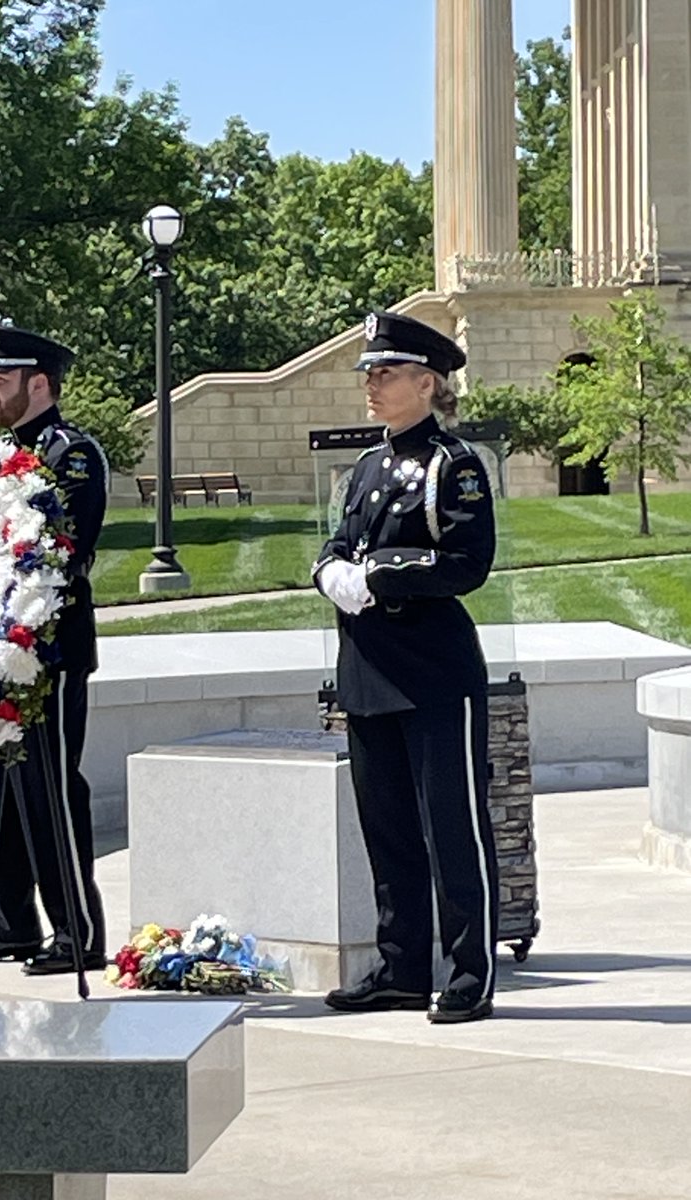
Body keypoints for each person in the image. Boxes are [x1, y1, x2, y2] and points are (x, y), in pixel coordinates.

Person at [313, 311, 498, 1024]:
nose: (372, 382)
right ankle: (400, 967)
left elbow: (464, 562)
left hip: (433, 672)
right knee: (386, 829)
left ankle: (469, 972)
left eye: (386, 372)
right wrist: (330, 570)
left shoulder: (453, 466)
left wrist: (380, 576)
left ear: (426, 382)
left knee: (452, 828)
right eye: (369, 371)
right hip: (369, 671)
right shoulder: (366, 467)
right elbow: (337, 541)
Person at [0, 316, 109, 975]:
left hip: (49, 649)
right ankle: (9, 921)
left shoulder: (70, 454)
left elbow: (62, 552)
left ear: (39, 384)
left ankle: (76, 929)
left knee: (48, 790)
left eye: (1, 377)